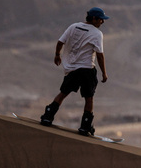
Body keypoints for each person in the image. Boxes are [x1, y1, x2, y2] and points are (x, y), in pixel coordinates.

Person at [40, 7, 110, 136]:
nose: (102, 22)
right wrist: (104, 73)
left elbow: (60, 41)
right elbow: (100, 55)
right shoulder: (97, 33)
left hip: (72, 69)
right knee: (89, 98)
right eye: (101, 19)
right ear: (94, 18)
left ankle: (48, 115)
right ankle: (85, 126)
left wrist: (57, 55)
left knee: (63, 93)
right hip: (87, 69)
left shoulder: (74, 26)